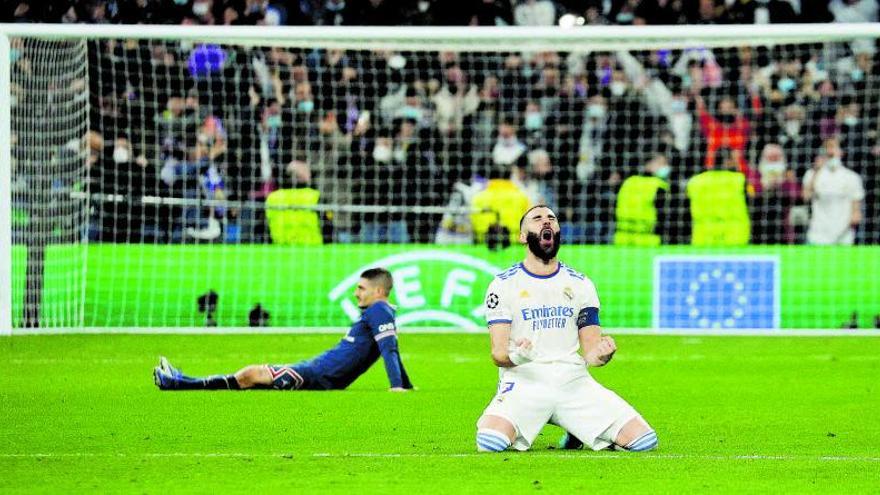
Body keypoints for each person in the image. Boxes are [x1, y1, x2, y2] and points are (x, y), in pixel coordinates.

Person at [475, 205, 657, 453]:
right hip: (526, 380)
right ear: (521, 236)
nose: (546, 222)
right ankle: (558, 423)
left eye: (551, 218)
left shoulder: (581, 284)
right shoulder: (503, 285)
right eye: (537, 219)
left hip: (573, 382)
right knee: (490, 443)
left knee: (644, 442)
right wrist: (518, 356)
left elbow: (591, 353)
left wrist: (602, 354)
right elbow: (497, 354)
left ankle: (577, 427)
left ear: (559, 231)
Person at [154, 268, 414, 392]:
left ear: (379, 292)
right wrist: (407, 386)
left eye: (361, 288)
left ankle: (177, 383)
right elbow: (390, 349)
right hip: (318, 371)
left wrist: (397, 388)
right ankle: (181, 380)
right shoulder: (382, 313)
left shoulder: (379, 310)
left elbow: (389, 349)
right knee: (250, 381)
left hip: (318, 374)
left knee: (250, 375)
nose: (356, 292)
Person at [802, 138, 865, 245]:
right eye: (827, 147)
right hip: (817, 236)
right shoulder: (811, 174)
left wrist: (847, 225)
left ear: (841, 151)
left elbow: (856, 213)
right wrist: (816, 171)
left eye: (833, 147)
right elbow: (806, 196)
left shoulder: (852, 177)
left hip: (843, 238)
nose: (830, 151)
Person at [687, 148, 752, 246]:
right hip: (735, 239)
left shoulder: (695, 181)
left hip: (703, 240)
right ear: (728, 161)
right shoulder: (740, 180)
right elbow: (751, 206)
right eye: (735, 160)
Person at [613, 153, 673, 246]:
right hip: (647, 240)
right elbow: (664, 217)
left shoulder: (628, 182)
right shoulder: (659, 186)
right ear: (650, 164)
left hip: (621, 238)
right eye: (662, 163)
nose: (665, 167)